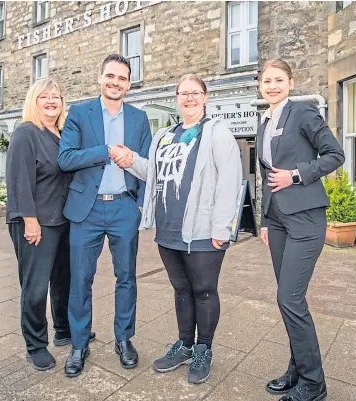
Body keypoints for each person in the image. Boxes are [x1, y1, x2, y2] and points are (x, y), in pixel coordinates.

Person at [112, 74, 242, 384]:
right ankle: (184, 344)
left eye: (195, 93)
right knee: (182, 290)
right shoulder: (165, 135)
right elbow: (154, 172)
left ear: (205, 96)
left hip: (203, 230)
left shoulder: (217, 132)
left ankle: (203, 349)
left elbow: (230, 181)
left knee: (204, 290)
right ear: (176, 98)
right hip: (169, 228)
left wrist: (222, 228)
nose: (189, 98)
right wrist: (131, 160)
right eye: (183, 93)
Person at [57, 54, 152, 377]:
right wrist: (106, 151)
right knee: (81, 279)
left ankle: (124, 339)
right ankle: (79, 344)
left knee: (126, 277)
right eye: (110, 76)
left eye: (122, 78)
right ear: (101, 78)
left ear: (129, 83)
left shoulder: (139, 118)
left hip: (124, 208)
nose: (115, 83)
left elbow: (146, 167)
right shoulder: (80, 113)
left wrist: (139, 205)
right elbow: (66, 158)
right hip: (87, 210)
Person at [257, 59, 345, 401]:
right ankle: (297, 369)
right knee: (289, 300)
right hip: (277, 219)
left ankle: (313, 383)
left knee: (288, 297)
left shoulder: (304, 112)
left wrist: (295, 174)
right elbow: (266, 174)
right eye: (267, 80)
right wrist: (265, 219)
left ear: (290, 83)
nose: (273, 85)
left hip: (306, 218)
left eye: (279, 80)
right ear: (260, 85)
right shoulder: (263, 121)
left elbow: (335, 155)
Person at [6, 78, 95, 371]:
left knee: (63, 282)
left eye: (56, 96)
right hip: (35, 223)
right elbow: (19, 181)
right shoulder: (25, 133)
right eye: (44, 96)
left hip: (62, 222)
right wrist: (30, 222)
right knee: (35, 288)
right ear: (34, 101)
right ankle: (35, 345)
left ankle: (64, 331)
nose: (51, 101)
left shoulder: (60, 135)